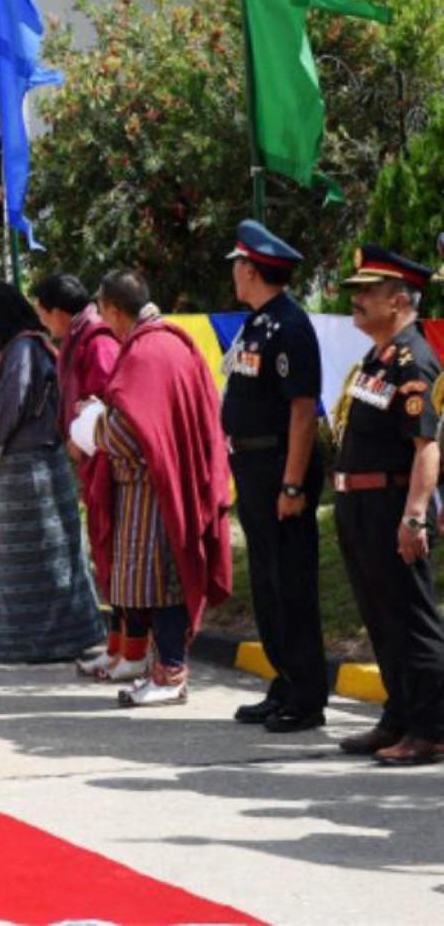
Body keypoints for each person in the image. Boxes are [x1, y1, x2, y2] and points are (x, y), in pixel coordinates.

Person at [71, 270, 231, 706]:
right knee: (162, 580)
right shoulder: (175, 342)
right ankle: (162, 670)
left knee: (160, 583)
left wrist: (89, 424)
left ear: (114, 311)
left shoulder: (145, 353)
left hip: (153, 487)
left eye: (103, 310)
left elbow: (128, 433)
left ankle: (169, 674)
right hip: (170, 477)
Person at [333, 245, 444, 766]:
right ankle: (398, 716)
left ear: (399, 300)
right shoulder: (376, 360)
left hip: (393, 502)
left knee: (412, 619)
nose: (357, 301)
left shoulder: (414, 360)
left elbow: (428, 446)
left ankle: (433, 728)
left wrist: (415, 514)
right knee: (381, 616)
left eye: (368, 293)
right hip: (359, 503)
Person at [222, 220, 328, 733]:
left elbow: (302, 411)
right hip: (253, 465)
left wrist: (291, 483)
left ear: (251, 268)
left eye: (237, 266)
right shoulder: (257, 324)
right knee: (267, 583)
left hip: (279, 468)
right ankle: (284, 680)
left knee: (291, 583)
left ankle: (307, 695)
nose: (233, 276)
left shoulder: (290, 326)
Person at [0, 282, 104, 664]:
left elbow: (12, 404)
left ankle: (37, 642)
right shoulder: (30, 346)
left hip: (29, 469)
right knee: (44, 556)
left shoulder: (23, 350)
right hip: (38, 465)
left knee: (38, 559)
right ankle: (55, 639)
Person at [32, 273, 134, 681]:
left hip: (108, 463)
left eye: (42, 312)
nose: (42, 321)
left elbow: (113, 403)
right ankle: (115, 647)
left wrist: (86, 439)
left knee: (118, 556)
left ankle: (133, 649)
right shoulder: (75, 339)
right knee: (106, 556)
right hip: (90, 464)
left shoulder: (98, 341)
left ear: (58, 312)